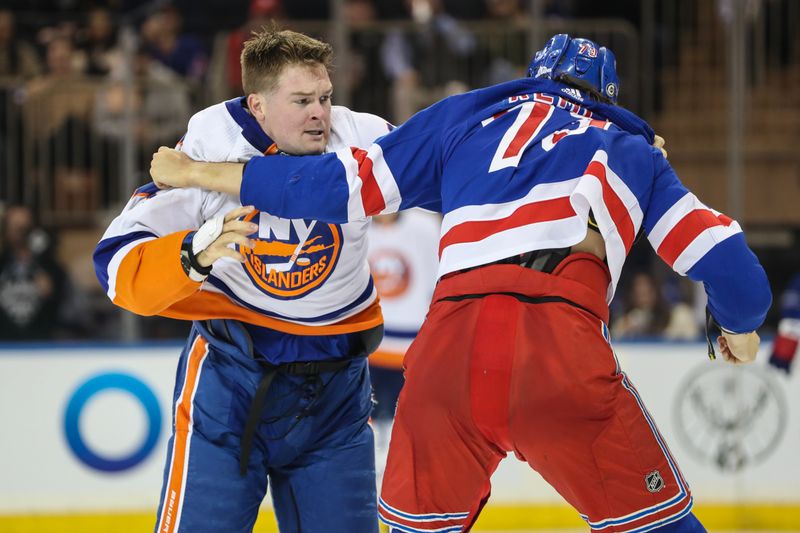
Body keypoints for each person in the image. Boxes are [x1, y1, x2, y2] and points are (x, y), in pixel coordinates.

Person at [150, 34, 771, 533]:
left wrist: (196, 170)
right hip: (557, 352)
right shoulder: (630, 148)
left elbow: (331, 187)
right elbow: (732, 266)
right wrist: (738, 331)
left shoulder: (465, 122)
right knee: (655, 523)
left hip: (445, 358)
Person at [95, 28, 394, 533]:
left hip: (337, 396)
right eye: (301, 101)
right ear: (257, 104)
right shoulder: (208, 146)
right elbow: (116, 266)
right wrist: (192, 254)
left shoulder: (362, 136)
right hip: (230, 387)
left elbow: (447, 170)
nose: (319, 112)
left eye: (324, 97)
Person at [366, 210, 440, 479]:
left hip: (412, 351)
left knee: (407, 436)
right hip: (369, 349)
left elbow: (439, 283)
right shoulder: (353, 224)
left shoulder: (425, 225)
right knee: (369, 437)